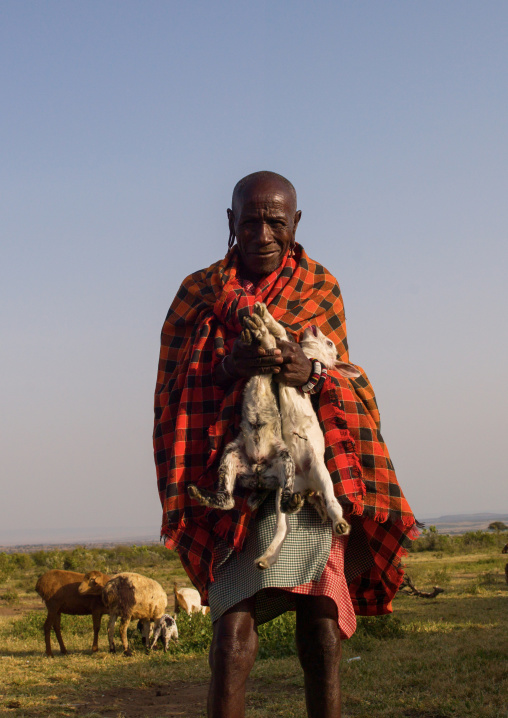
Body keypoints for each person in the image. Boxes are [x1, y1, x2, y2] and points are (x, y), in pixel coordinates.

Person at [154, 171, 417, 718]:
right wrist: (227, 366)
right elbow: (173, 387)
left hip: (308, 476)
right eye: (251, 221)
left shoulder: (320, 286)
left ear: (296, 223)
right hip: (239, 479)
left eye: (276, 221)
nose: (264, 234)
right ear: (231, 223)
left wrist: (311, 373)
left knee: (321, 639)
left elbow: (347, 378)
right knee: (229, 643)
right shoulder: (199, 292)